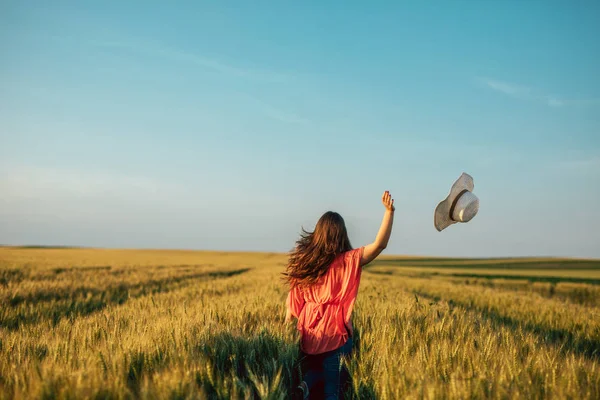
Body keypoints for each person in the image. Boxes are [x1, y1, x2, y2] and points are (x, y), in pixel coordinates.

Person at [284, 191, 395, 399]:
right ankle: (311, 387)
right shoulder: (348, 260)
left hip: (310, 335)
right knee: (333, 389)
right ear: (341, 234)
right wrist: (389, 212)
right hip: (335, 333)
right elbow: (379, 245)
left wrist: (289, 332)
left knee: (317, 369)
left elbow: (293, 304)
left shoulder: (303, 262)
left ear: (318, 233)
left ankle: (306, 385)